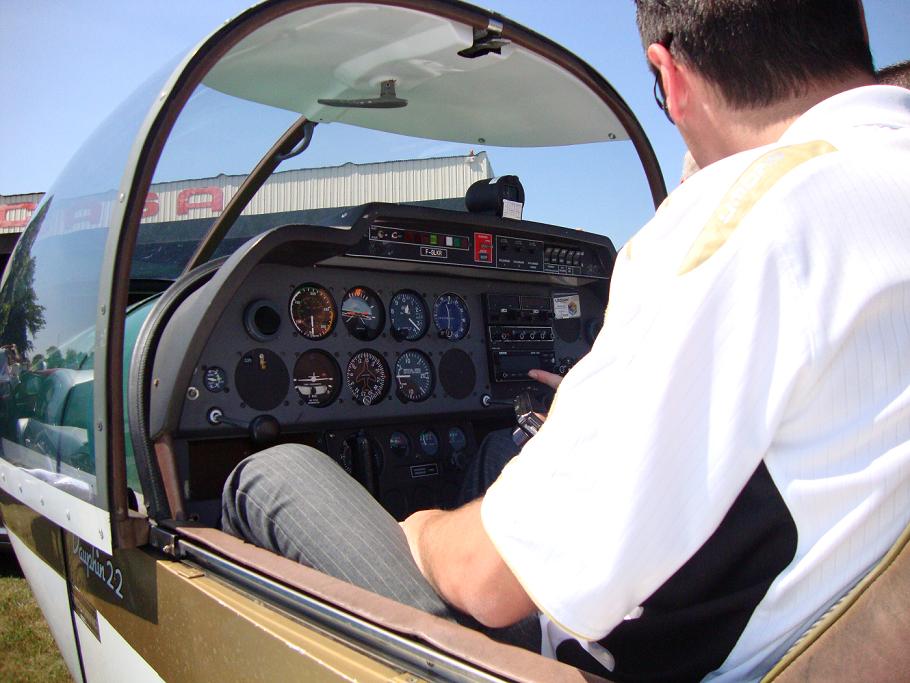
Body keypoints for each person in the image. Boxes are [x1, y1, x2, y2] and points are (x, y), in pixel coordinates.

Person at [222, 1, 910, 679]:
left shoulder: (746, 219)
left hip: (595, 663)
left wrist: (416, 532)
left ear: (669, 77)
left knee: (272, 475)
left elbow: (489, 582)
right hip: (778, 609)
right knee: (502, 446)